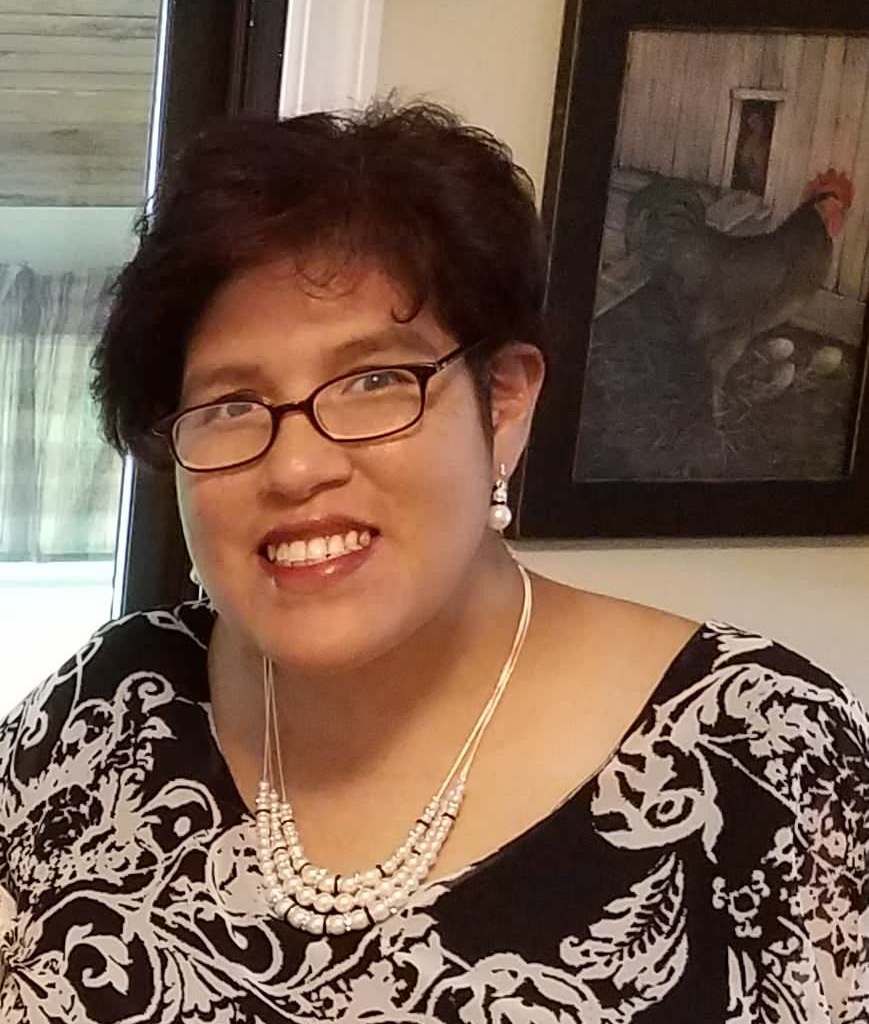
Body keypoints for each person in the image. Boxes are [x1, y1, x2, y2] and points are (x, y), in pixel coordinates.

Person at [0, 101, 865, 1024]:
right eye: (230, 403)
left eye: (375, 381)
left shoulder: (769, 752)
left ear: (503, 403)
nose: (295, 468)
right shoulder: (110, 704)